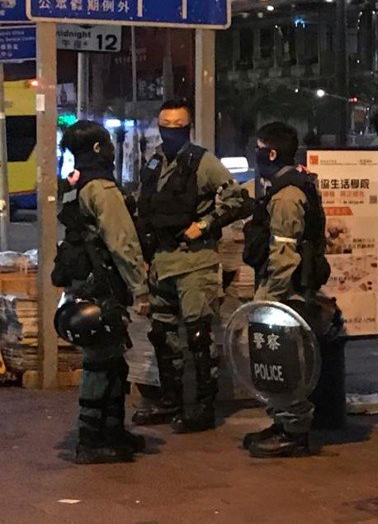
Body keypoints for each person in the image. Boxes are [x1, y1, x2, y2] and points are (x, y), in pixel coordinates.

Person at [131, 99, 250, 433]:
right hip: (161, 262)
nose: (170, 131)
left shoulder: (203, 162)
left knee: (198, 337)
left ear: (187, 128)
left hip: (195, 262)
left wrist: (205, 225)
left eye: (177, 125)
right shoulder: (155, 161)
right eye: (165, 125)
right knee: (162, 333)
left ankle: (202, 407)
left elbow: (237, 199)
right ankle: (171, 399)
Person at [53, 121, 151, 463]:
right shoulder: (101, 188)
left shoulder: (73, 182)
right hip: (103, 284)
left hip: (83, 282)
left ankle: (112, 430)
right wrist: (142, 288)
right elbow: (122, 242)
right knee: (100, 361)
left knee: (110, 359)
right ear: (98, 148)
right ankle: (92, 438)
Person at [242, 121, 336, 458]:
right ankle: (282, 423)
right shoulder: (291, 186)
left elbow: (284, 255)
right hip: (291, 289)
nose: (255, 154)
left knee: (284, 361)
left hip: (287, 292)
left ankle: (294, 432)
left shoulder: (286, 196)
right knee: (275, 362)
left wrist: (268, 301)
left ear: (270, 152)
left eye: (259, 147)